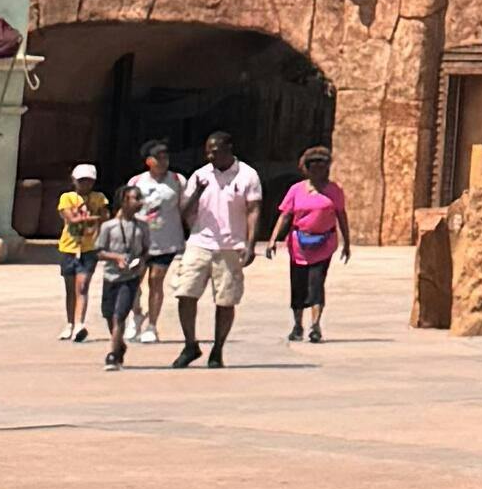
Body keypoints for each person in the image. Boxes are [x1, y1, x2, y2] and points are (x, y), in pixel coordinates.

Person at [172, 130, 263, 371]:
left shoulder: (247, 175)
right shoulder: (200, 175)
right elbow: (182, 211)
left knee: (225, 300)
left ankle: (217, 349)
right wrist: (197, 192)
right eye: (207, 151)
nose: (210, 155)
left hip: (230, 246)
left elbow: (253, 210)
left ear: (228, 148)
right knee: (185, 292)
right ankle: (190, 344)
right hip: (199, 242)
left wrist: (250, 244)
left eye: (214, 151)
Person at [272, 154, 350, 344]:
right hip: (299, 244)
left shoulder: (334, 191)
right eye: (313, 168)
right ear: (306, 169)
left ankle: (315, 326)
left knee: (316, 284)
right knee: (298, 285)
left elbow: (341, 215)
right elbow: (285, 216)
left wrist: (347, 243)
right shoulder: (296, 190)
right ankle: (297, 325)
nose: (318, 172)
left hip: (324, 243)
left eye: (322, 168)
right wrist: (273, 239)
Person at [93, 166, 163, 369]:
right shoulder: (108, 227)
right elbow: (99, 251)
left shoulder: (142, 226)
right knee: (109, 315)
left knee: (120, 315)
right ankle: (119, 344)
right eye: (135, 198)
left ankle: (112, 355)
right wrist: (115, 257)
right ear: (124, 201)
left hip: (130, 278)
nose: (140, 202)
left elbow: (147, 250)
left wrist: (141, 261)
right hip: (111, 276)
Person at [51, 166, 108, 338]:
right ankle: (70, 323)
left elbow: (106, 216)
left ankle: (79, 324)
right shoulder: (67, 197)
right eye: (81, 180)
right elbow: (71, 218)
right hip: (69, 247)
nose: (85, 184)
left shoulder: (99, 198)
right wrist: (93, 218)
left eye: (88, 180)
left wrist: (91, 219)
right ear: (74, 180)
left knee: (82, 287)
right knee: (70, 289)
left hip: (89, 248)